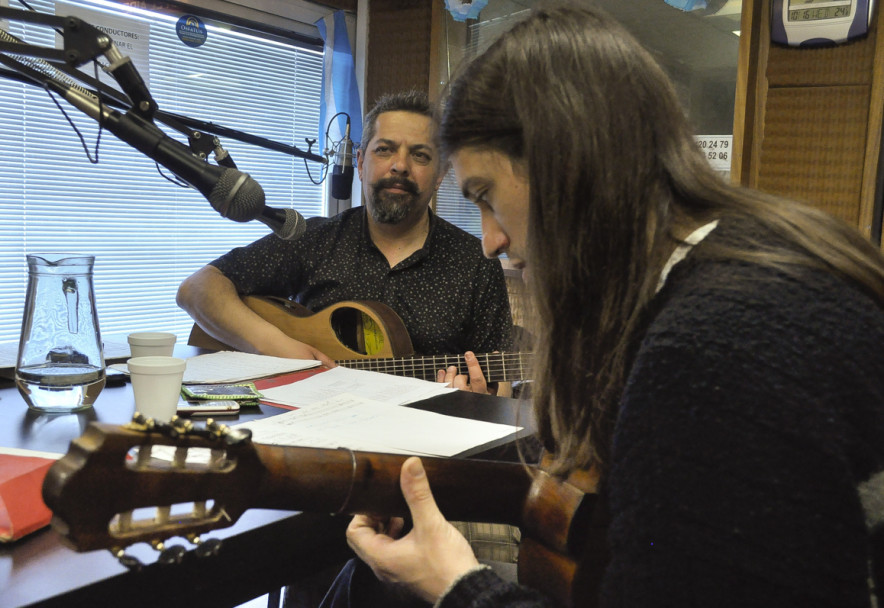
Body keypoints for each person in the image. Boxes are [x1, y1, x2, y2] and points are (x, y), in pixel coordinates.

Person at [340, 4, 884, 607]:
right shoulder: (748, 260)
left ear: (563, 167)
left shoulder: (711, 352)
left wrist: (455, 586)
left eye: (487, 196)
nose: (491, 241)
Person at [176, 90, 513, 393]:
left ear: (440, 175)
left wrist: (478, 401)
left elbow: (501, 385)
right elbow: (197, 289)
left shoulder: (476, 264)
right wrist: (275, 346)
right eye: (385, 150)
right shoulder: (313, 239)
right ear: (362, 164)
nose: (400, 166)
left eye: (421, 156)